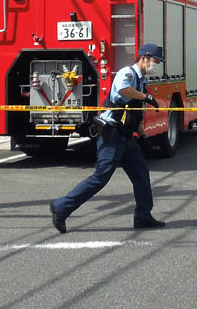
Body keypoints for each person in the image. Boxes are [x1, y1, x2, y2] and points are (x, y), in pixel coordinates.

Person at [50, 44, 166, 232]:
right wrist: (145, 97)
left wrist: (144, 136)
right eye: (155, 61)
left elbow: (131, 114)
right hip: (111, 134)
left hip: (126, 136)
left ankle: (143, 216)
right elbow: (122, 90)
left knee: (141, 174)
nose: (157, 65)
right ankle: (61, 208)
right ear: (144, 58)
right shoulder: (126, 74)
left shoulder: (141, 80)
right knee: (100, 178)